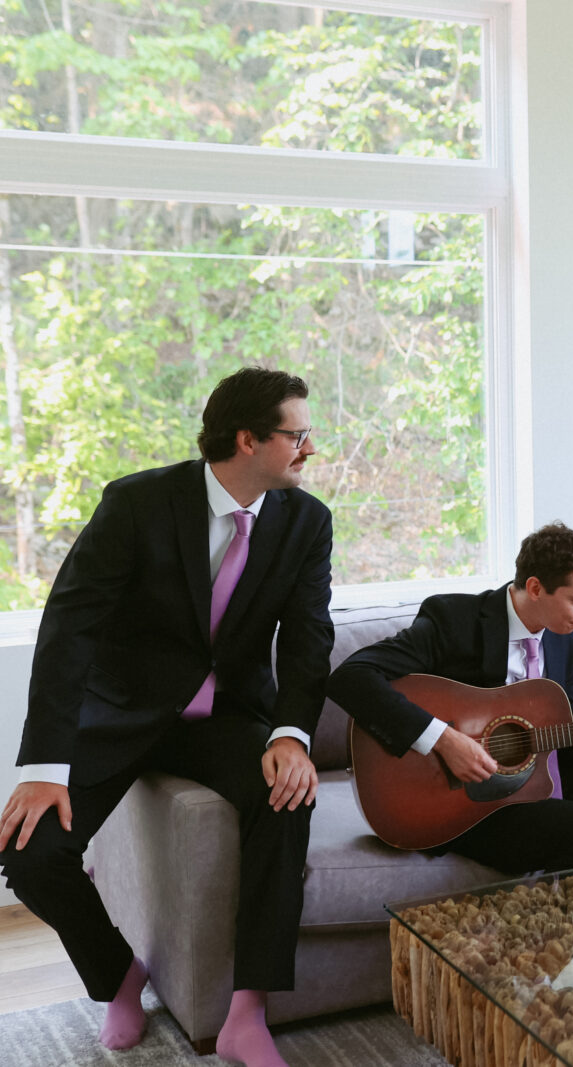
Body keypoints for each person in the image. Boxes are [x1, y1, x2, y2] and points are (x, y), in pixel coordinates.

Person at [0, 367, 332, 1067]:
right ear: (248, 439)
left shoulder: (307, 522)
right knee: (27, 852)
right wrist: (42, 765)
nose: (311, 448)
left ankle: (247, 1014)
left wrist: (291, 733)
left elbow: (308, 641)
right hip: (121, 714)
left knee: (288, 793)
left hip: (223, 721)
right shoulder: (138, 503)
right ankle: (119, 977)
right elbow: (70, 627)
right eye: (298, 435)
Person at [327, 522, 573, 876]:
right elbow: (351, 677)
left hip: (536, 780)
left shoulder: (562, 637)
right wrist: (445, 740)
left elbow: (564, 739)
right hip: (469, 802)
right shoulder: (455, 620)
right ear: (536, 588)